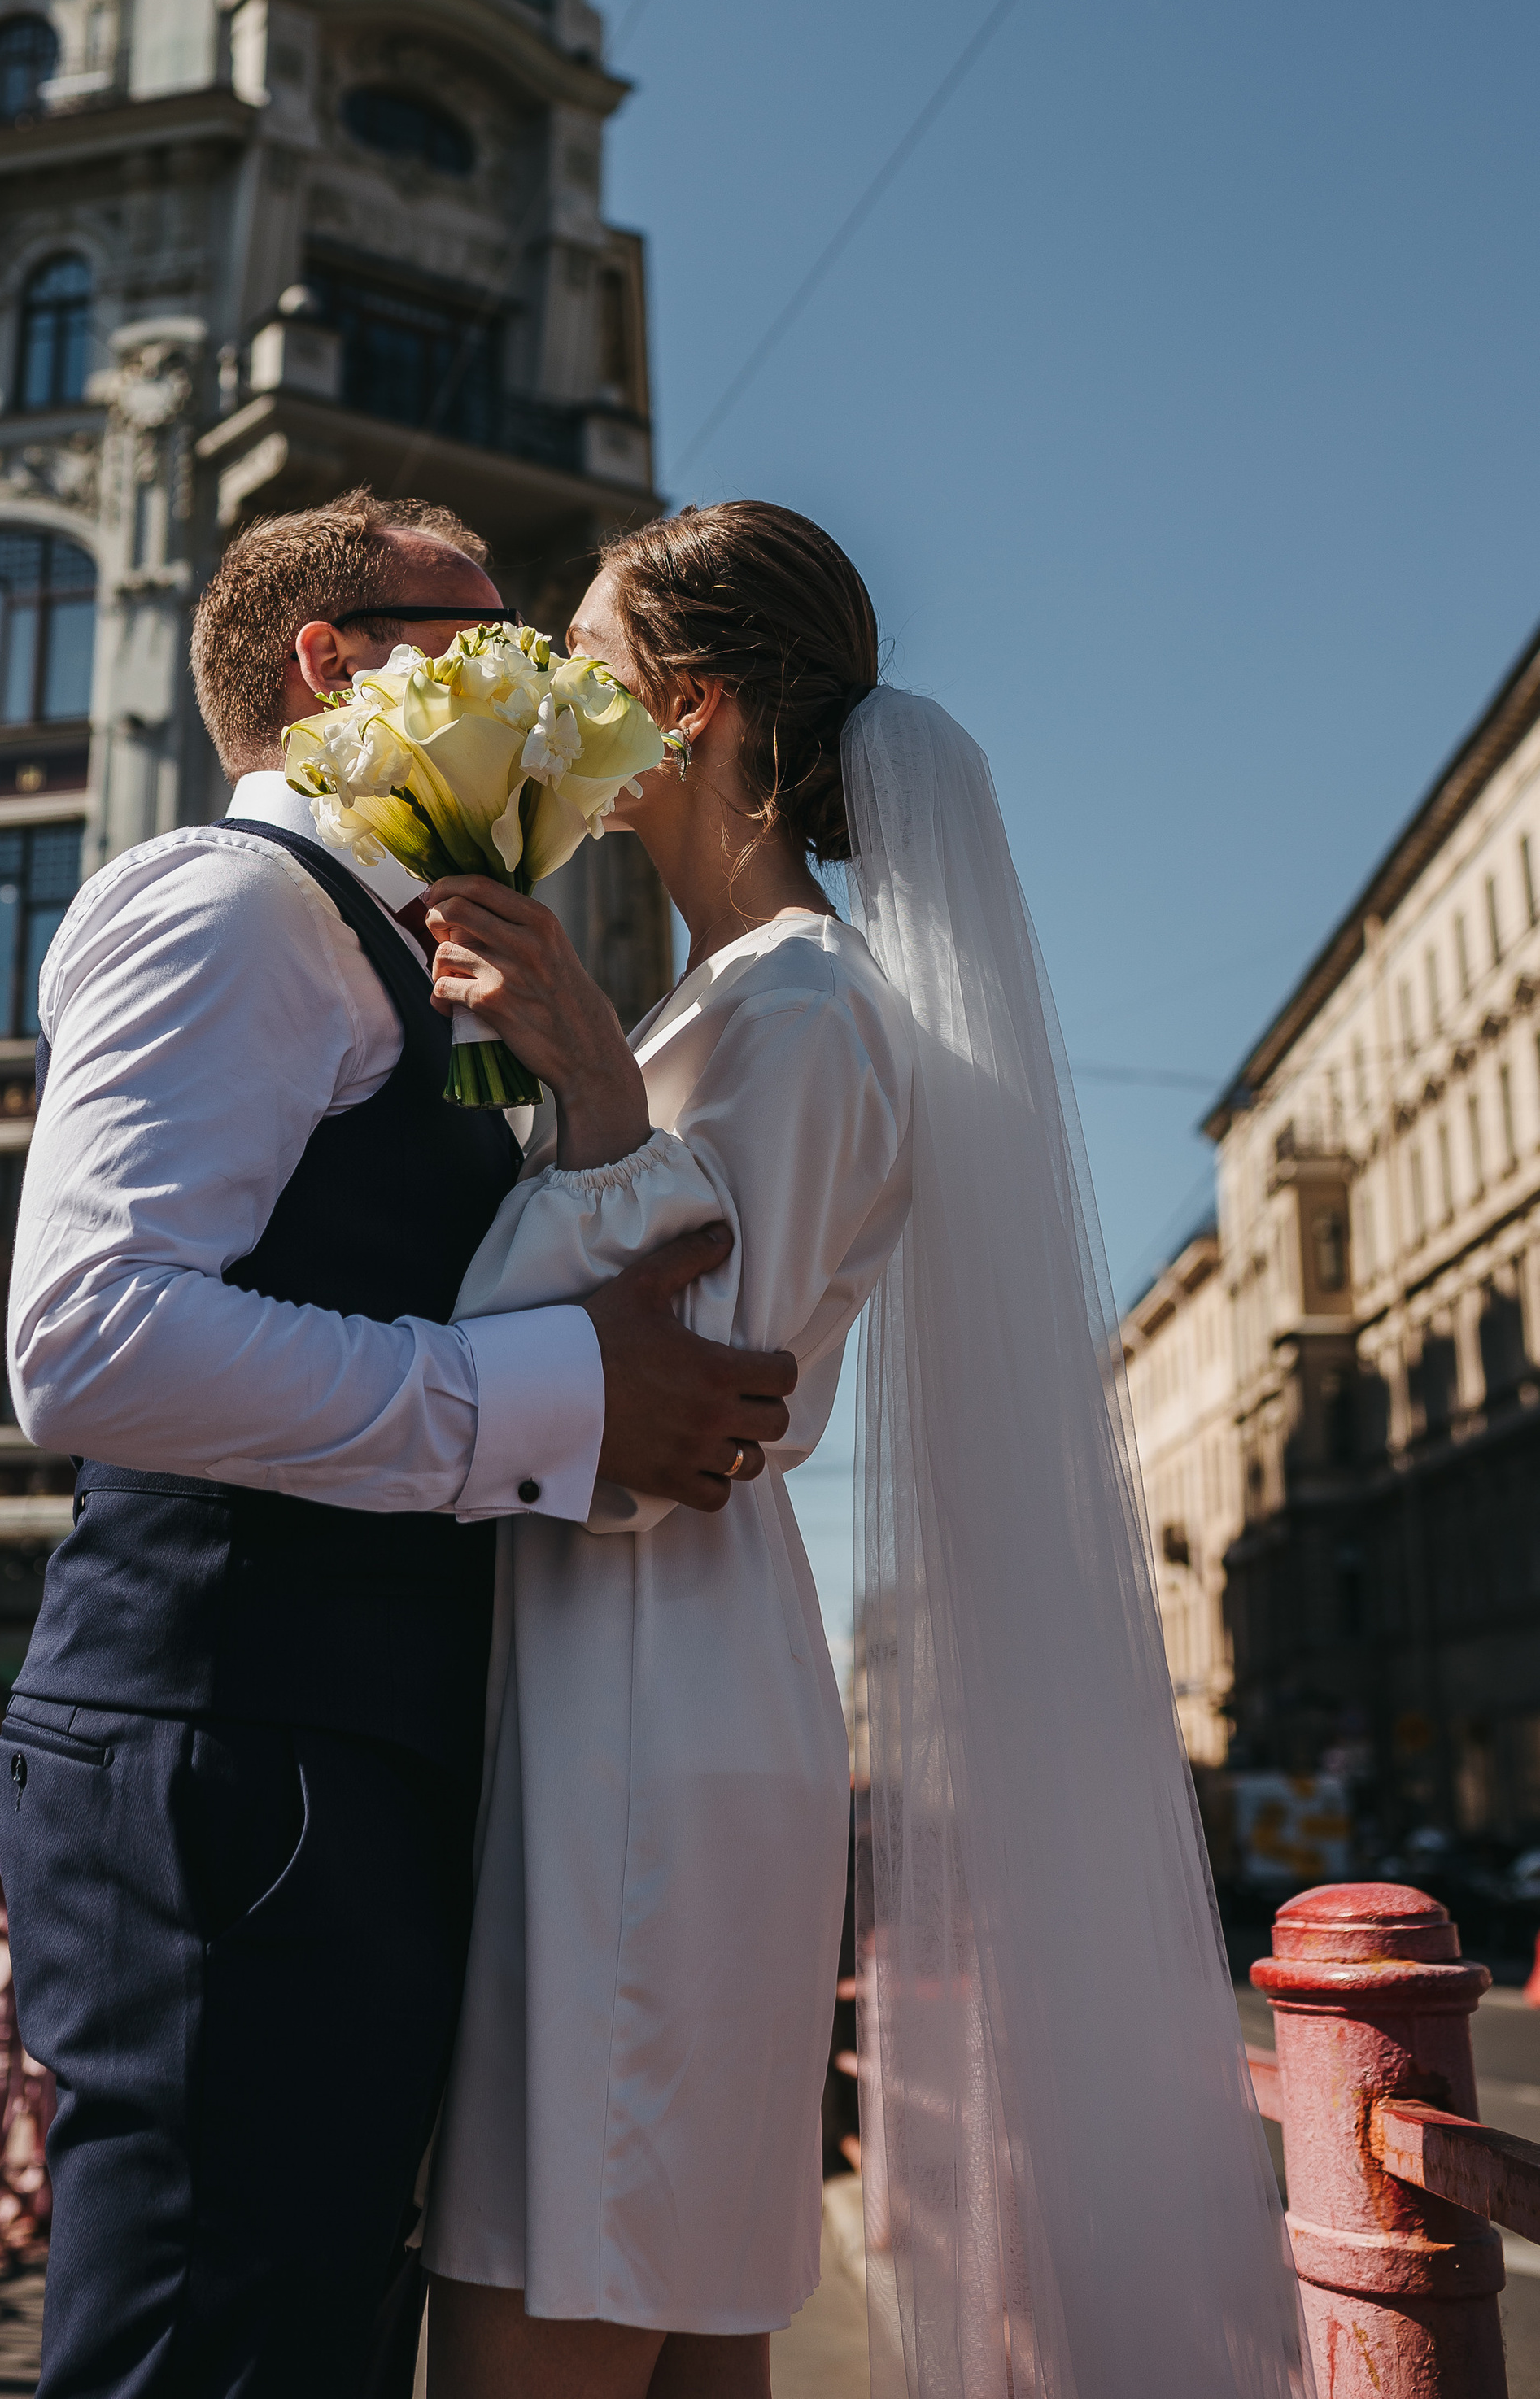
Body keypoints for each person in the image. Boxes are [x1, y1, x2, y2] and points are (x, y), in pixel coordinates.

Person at [416, 503, 1304, 2399]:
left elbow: (690, 1415)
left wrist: (579, 1083)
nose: (552, 700)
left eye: (583, 660)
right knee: (668, 2313)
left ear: (689, 702)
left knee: (562, 2295)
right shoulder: (723, 1002)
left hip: (644, 1716)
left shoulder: (802, 1010)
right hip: (646, 1699)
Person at [0, 488, 797, 2399]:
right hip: (230, 1748)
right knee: (218, 2346)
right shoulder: (234, 902)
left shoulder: (391, 948)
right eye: (484, 637)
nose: (536, 675)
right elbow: (90, 1338)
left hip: (317, 1759)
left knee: (301, 2329)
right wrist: (567, 1405)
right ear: (329, 665)